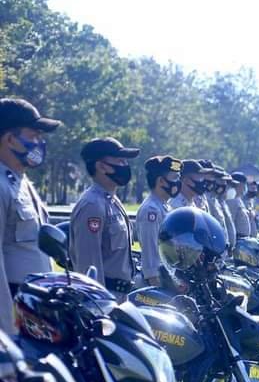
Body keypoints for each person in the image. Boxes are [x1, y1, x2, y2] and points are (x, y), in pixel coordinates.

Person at [0, 98, 60, 332]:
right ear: (10, 139)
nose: (39, 143)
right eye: (34, 136)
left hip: (34, 310)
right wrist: (6, 331)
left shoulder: (20, 182)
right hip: (14, 313)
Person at [70, 137, 138, 295]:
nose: (125, 166)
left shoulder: (111, 201)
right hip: (105, 296)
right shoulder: (92, 205)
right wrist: (98, 302)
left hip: (120, 295)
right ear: (101, 166)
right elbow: (88, 263)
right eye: (120, 161)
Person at [135, 155, 181, 286]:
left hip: (169, 276)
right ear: (161, 181)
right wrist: (155, 283)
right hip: (159, 280)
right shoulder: (151, 210)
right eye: (174, 178)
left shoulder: (165, 206)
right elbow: (150, 251)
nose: (178, 182)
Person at [227, 172, 253, 239]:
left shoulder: (239, 199)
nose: (244, 188)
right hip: (237, 238)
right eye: (243, 185)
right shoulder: (231, 200)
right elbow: (230, 222)